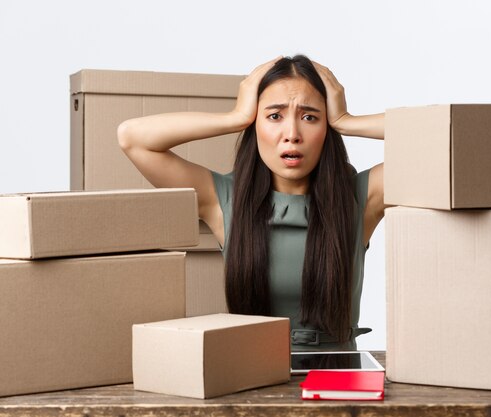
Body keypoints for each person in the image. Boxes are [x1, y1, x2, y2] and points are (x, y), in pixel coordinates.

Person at [117, 55, 386, 351]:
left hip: (335, 381)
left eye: (310, 117)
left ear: (327, 130)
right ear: (255, 125)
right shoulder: (225, 199)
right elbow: (132, 138)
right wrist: (235, 117)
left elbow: (439, 140)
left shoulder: (360, 198)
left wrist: (347, 122)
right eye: (274, 116)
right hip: (251, 376)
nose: (292, 135)